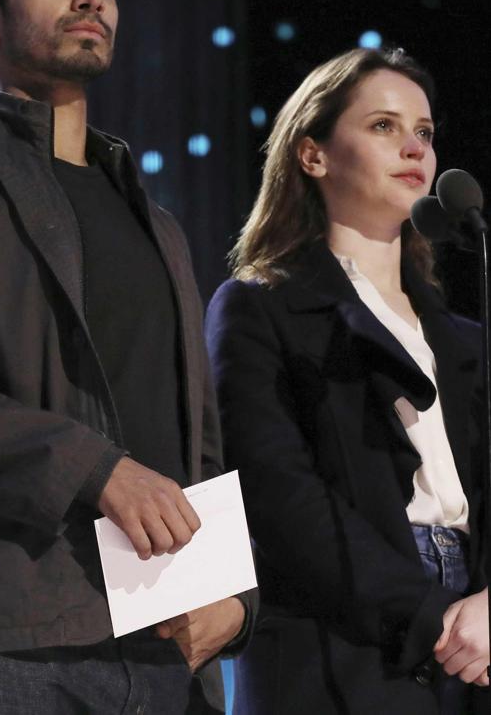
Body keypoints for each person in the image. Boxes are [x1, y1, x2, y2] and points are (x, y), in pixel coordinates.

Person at [0, 0, 252, 715]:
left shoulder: (155, 222)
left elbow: (196, 439)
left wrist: (236, 598)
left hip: (169, 650)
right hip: (9, 638)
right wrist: (97, 469)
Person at [205, 47, 489, 714]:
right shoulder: (259, 307)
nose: (414, 147)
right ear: (312, 155)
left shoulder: (464, 338)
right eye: (383, 126)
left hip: (474, 638)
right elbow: (277, 496)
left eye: (422, 131)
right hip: (341, 638)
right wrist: (430, 616)